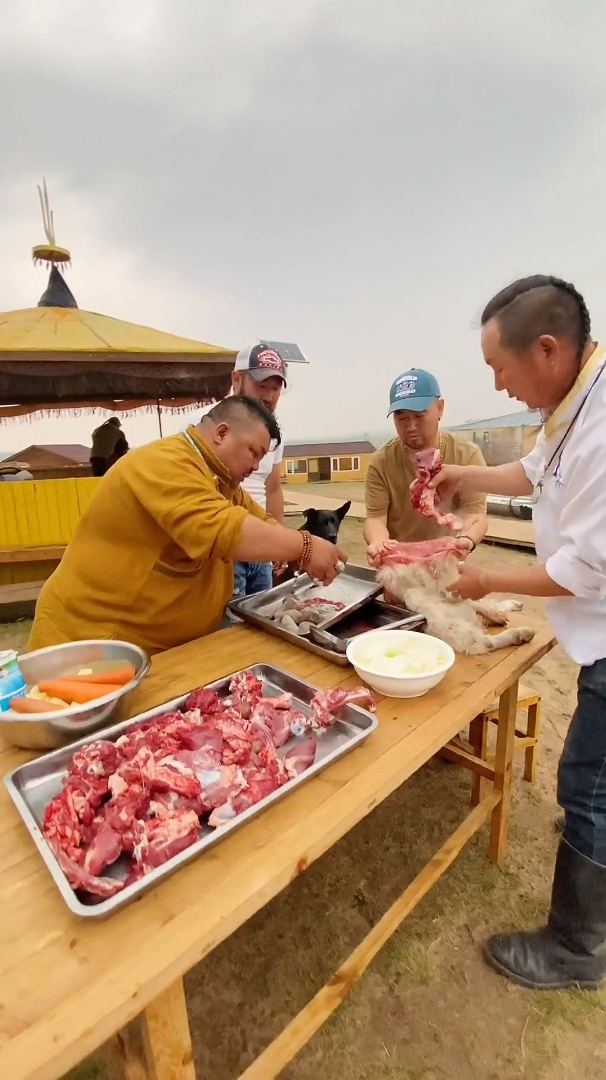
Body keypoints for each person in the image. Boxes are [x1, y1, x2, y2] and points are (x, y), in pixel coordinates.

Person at [427, 275, 606, 992]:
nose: (499, 386)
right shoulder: (574, 404)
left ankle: (576, 949)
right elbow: (533, 472)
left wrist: (487, 582)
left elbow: (588, 570)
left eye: (501, 369)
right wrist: (465, 481)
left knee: (587, 787)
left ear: (548, 349)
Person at [28, 396, 346, 655]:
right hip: (95, 646)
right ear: (221, 433)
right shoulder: (165, 462)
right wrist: (305, 546)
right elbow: (222, 528)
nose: (254, 465)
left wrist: (299, 547)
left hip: (162, 652)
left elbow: (256, 520)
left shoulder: (223, 482)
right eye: (253, 452)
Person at [364, 368, 488, 568]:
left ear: (440, 408)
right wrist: (378, 543)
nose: (411, 426)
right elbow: (376, 519)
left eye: (419, 416)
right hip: (401, 566)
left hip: (447, 563)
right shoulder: (381, 462)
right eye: (402, 418)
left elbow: (476, 514)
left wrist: (467, 539)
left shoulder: (466, 455)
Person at [225, 343, 287, 597]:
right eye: (261, 386)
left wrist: (279, 540)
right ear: (237, 380)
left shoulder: (274, 434)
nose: (269, 396)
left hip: (260, 550)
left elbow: (272, 489)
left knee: (261, 619)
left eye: (275, 388)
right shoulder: (208, 424)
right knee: (227, 628)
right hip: (226, 551)